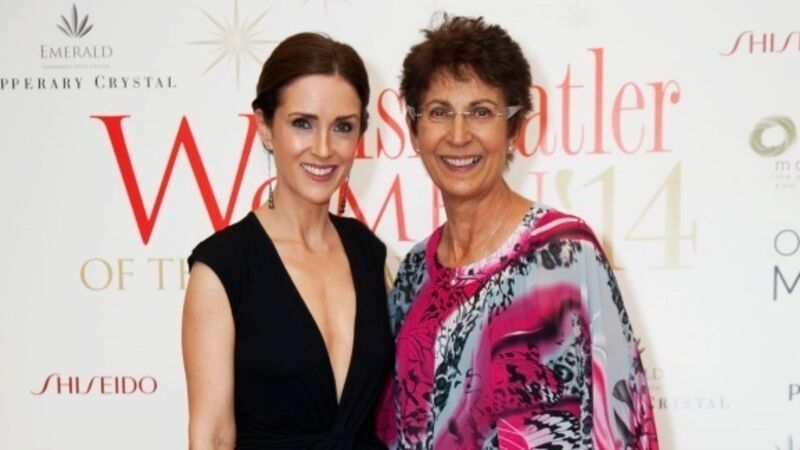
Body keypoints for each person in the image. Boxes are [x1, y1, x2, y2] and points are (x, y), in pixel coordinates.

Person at [376, 16, 659, 449]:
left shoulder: (565, 253)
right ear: (415, 131)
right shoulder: (415, 271)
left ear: (515, 130)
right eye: (439, 113)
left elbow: (623, 422)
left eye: (481, 112)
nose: (458, 135)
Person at [182, 32, 393, 449]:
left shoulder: (367, 252)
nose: (323, 148)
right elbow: (212, 437)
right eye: (302, 123)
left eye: (343, 127)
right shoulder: (224, 268)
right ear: (264, 127)